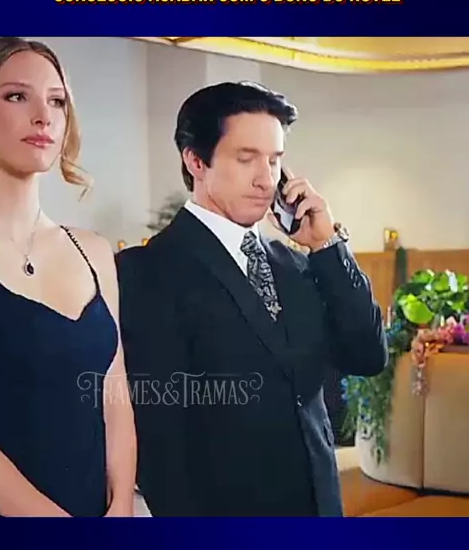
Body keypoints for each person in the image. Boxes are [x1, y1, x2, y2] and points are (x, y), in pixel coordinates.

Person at [116, 81, 388, 517]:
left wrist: (327, 245)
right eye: (247, 159)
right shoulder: (147, 270)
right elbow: (161, 442)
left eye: (275, 160)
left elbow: (368, 355)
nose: (266, 179)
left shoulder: (296, 263)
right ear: (196, 160)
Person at [0, 36, 136, 517]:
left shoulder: (93, 251)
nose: (43, 116)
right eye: (17, 96)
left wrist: (121, 504)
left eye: (57, 101)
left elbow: (114, 394)